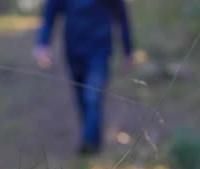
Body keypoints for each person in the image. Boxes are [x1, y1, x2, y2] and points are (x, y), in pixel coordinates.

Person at [34, 0, 133, 155]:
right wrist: (42, 44)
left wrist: (128, 50)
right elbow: (49, 15)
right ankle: (92, 136)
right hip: (73, 52)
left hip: (100, 51)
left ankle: (89, 144)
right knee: (81, 97)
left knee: (92, 96)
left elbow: (122, 16)